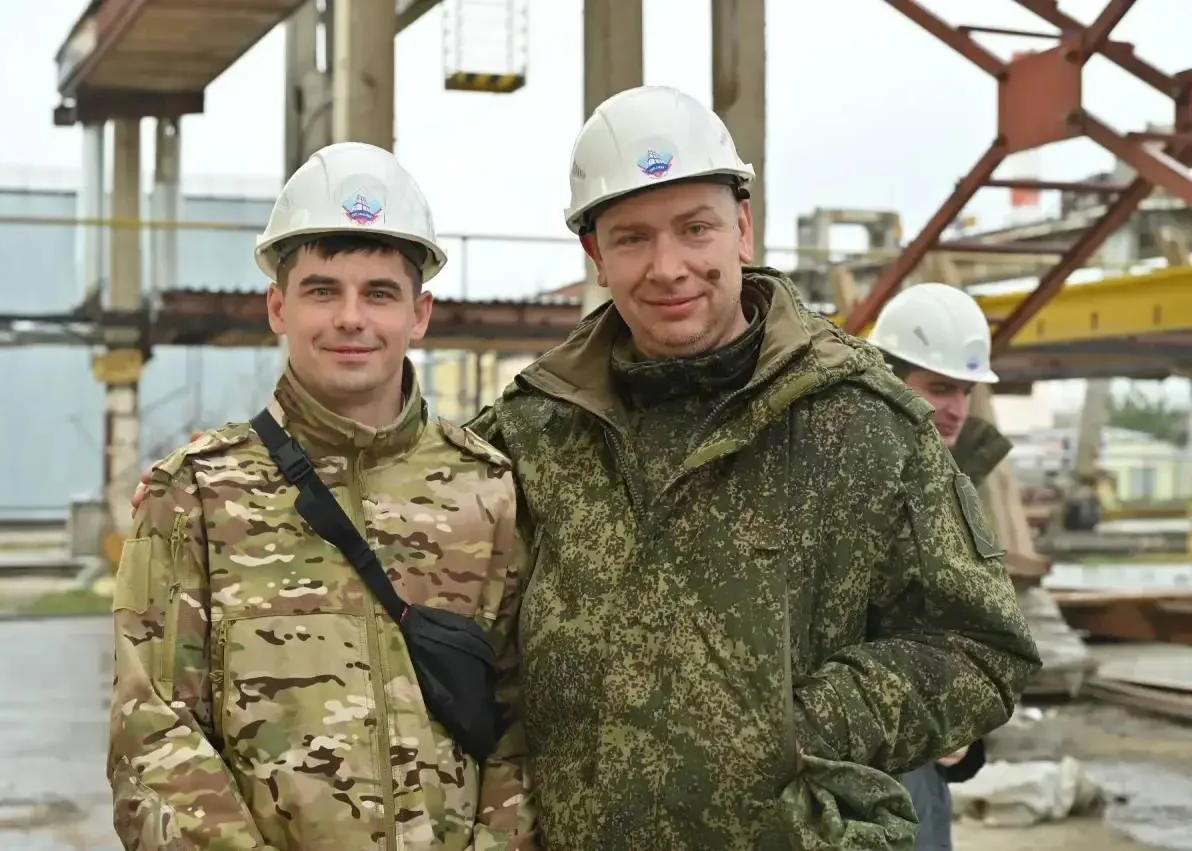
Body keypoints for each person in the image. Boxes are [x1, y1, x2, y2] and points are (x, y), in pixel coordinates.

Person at [132, 86, 1041, 849]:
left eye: (695, 228)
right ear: (594, 253)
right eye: (633, 237)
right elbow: (402, 497)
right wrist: (208, 501)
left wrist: (801, 727)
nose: (669, 266)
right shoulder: (534, 430)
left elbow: (981, 645)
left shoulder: (860, 423)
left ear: (742, 227)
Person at [109, 141, 535, 851]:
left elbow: (522, 721)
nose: (350, 317)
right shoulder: (196, 494)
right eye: (322, 291)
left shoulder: (486, 490)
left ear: (420, 313)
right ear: (278, 307)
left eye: (379, 293)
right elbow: (150, 729)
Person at [868, 283, 1015, 850]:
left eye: (966, 390)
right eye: (939, 387)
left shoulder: (958, 490)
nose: (957, 407)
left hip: (923, 774)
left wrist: (966, 728)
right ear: (888, 381)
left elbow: (975, 636)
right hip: (851, 766)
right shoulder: (838, 484)